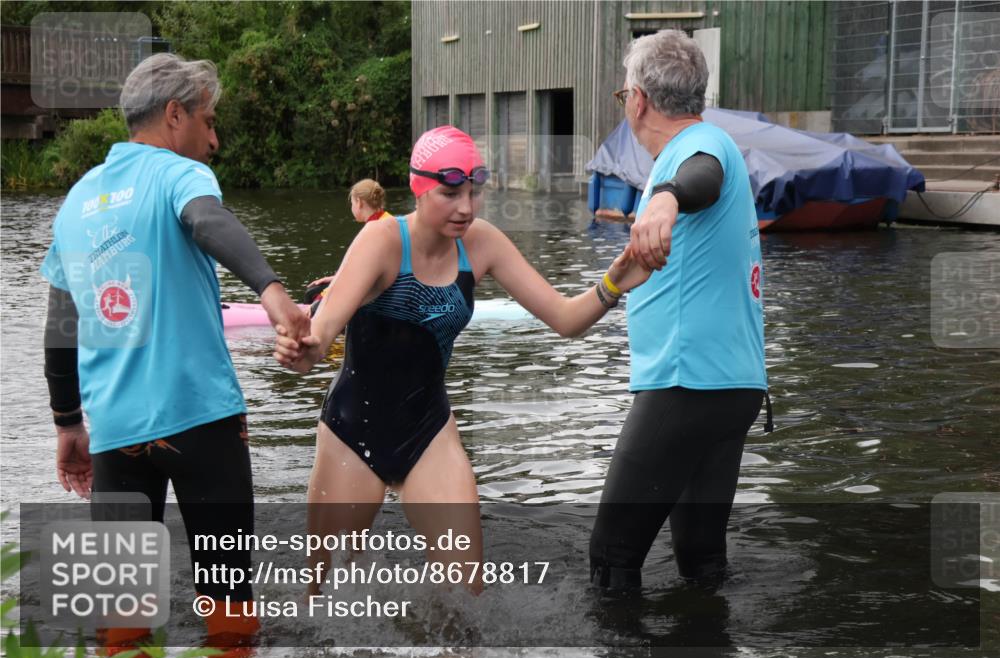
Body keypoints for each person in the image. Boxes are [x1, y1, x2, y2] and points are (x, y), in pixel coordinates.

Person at [273, 126, 649, 595]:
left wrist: (613, 285)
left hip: (428, 430)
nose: (466, 207)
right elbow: (322, 331)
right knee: (325, 598)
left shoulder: (481, 244)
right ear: (418, 186)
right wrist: (303, 349)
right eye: (451, 193)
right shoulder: (383, 240)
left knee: (467, 601)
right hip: (353, 431)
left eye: (473, 192)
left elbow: (565, 319)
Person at [40, 53, 310, 655]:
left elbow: (61, 326)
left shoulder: (76, 201)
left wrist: (67, 425)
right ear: (173, 115)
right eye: (208, 121)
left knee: (123, 622)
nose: (213, 139)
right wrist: (273, 293)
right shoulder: (176, 174)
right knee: (230, 613)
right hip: (201, 424)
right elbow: (208, 221)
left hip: (114, 437)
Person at [589, 30, 772, 591]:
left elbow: (701, 179)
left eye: (623, 97)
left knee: (612, 556)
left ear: (639, 100)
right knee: (700, 558)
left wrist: (665, 196)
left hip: (687, 384)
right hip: (732, 386)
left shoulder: (702, 147)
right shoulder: (704, 147)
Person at [304, 178, 393, 302]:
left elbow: (362, 277)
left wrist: (322, 299)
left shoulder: (372, 231)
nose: (351, 207)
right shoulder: (388, 220)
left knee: (313, 296)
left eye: (352, 203)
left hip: (377, 292)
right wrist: (335, 278)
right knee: (314, 290)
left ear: (359, 202)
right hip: (382, 285)